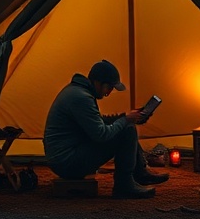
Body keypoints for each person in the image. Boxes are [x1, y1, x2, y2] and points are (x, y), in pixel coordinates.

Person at [43, 59, 169, 199]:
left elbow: (97, 122)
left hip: (66, 155)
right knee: (127, 130)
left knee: (126, 126)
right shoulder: (81, 98)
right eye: (108, 88)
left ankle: (140, 173)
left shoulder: (77, 91)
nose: (108, 93)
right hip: (67, 163)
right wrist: (126, 120)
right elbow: (101, 134)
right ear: (98, 82)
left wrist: (125, 117)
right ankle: (124, 185)